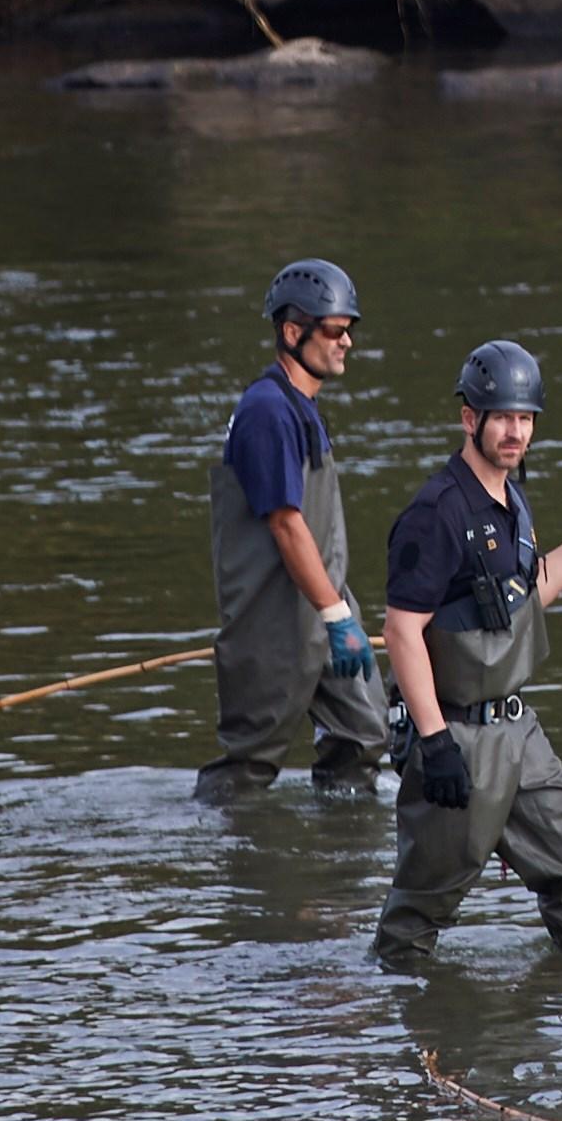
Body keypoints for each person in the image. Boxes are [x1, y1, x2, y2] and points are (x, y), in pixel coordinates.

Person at [372, 340, 562, 972]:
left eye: (525, 418)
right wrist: (434, 743)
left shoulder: (512, 497)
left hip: (520, 731)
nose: (515, 431)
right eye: (502, 417)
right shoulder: (435, 513)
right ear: (471, 419)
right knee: (419, 917)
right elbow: (403, 631)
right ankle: (405, 1031)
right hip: (457, 735)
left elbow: (523, 598)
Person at [198, 256, 396, 802]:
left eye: (349, 331)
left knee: (364, 732)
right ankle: (228, 864)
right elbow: (286, 524)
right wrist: (336, 617)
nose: (346, 343)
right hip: (277, 620)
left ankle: (334, 862)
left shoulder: (302, 407)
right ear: (292, 332)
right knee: (249, 766)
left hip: (325, 608)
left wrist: (337, 612)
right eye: (335, 330)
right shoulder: (267, 411)